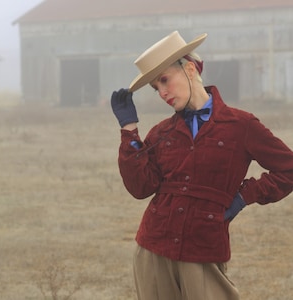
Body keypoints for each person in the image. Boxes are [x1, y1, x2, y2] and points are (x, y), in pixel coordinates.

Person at [110, 31, 293, 300]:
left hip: (204, 250)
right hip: (152, 250)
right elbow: (141, 187)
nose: (162, 93)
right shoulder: (162, 133)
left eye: (164, 80)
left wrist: (243, 197)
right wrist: (129, 130)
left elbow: (288, 168)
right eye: (156, 88)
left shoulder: (241, 125)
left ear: (190, 69)